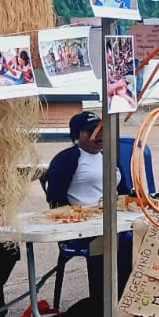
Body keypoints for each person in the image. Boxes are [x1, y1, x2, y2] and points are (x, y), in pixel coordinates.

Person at [45, 111, 131, 304]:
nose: (98, 137)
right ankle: (103, 302)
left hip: (112, 219)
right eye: (91, 132)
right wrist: (80, 215)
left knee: (139, 238)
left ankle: (128, 297)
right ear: (78, 135)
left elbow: (124, 190)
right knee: (117, 241)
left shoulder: (109, 156)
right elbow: (55, 199)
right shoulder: (67, 159)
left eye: (100, 131)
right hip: (81, 227)